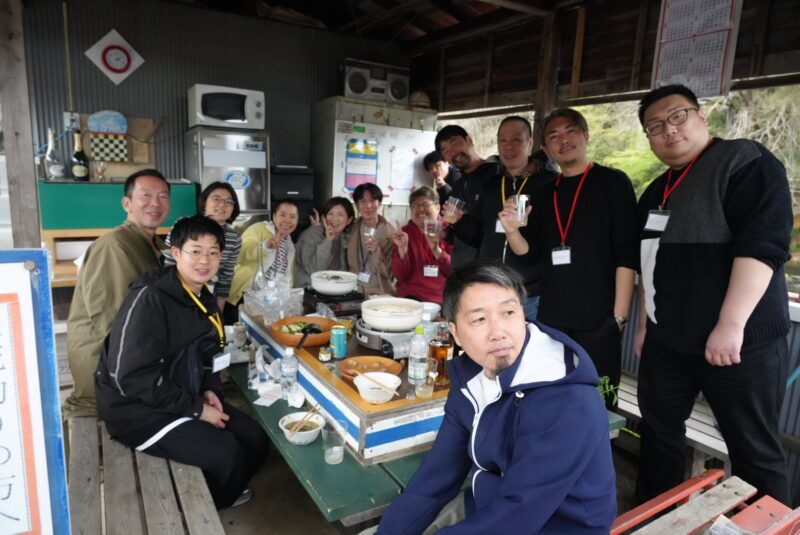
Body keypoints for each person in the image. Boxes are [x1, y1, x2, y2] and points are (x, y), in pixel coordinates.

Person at [369, 260, 616, 534]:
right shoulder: (473, 380)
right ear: (455, 334)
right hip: (488, 507)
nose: (498, 332)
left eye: (508, 312)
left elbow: (516, 516)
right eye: (479, 319)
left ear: (523, 313)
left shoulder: (568, 403)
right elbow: (436, 478)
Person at [634, 84, 791, 503]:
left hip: (739, 344)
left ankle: (766, 526)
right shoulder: (656, 190)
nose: (668, 130)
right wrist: (649, 322)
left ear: (701, 115)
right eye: (654, 126)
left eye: (677, 116)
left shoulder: (743, 159)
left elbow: (764, 246)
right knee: (658, 434)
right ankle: (653, 517)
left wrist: (731, 323)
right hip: (667, 343)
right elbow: (647, 264)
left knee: (753, 450)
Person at [95, 215, 269, 509]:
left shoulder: (202, 295)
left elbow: (209, 352)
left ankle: (224, 491)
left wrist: (210, 387)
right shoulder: (151, 298)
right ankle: (202, 510)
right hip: (138, 411)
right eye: (196, 251)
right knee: (227, 452)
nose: (205, 260)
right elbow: (131, 377)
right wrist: (197, 408)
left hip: (183, 392)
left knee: (255, 440)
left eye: (213, 252)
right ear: (175, 253)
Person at [502, 109, 639, 403]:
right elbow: (530, 254)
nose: (563, 140)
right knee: (552, 397)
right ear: (547, 148)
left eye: (570, 131)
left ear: (586, 136)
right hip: (553, 317)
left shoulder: (613, 182)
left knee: (598, 400)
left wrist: (618, 317)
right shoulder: (544, 192)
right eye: (554, 136)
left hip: (600, 319)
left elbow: (627, 253)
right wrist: (512, 231)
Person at [63, 169, 171, 418]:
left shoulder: (151, 244)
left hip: (129, 370)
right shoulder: (114, 246)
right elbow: (116, 327)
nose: (155, 203)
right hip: (106, 383)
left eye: (163, 196)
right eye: (146, 195)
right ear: (127, 203)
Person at [449, 116, 557, 320]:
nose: (509, 147)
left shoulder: (548, 185)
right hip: (490, 289)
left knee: (527, 350)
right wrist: (459, 221)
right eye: (503, 141)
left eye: (516, 139)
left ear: (530, 142)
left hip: (529, 294)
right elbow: (480, 237)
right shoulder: (491, 186)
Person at [164, 182, 242, 322]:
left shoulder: (234, 238)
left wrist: (217, 317)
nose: (222, 204)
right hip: (177, 295)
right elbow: (168, 264)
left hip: (208, 297)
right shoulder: (184, 225)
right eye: (216, 199)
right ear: (204, 202)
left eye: (228, 201)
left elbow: (225, 279)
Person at [435, 125, 500, 268]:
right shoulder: (458, 185)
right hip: (461, 268)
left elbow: (492, 234)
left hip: (486, 269)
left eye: (454, 143)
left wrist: (459, 221)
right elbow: (460, 236)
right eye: (445, 150)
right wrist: (446, 234)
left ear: (469, 140)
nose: (452, 151)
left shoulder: (496, 175)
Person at [228, 200, 299, 305]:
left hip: (270, 299)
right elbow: (240, 255)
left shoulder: (290, 245)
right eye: (283, 215)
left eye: (293, 217)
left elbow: (286, 277)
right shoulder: (259, 229)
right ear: (274, 217)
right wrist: (265, 246)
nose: (287, 220)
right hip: (244, 296)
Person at [391, 186, 452, 305]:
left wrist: (436, 250)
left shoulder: (450, 231)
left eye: (425, 204)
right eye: (415, 205)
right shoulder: (404, 234)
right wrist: (402, 250)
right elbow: (401, 277)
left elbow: (455, 272)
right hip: (411, 297)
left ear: (438, 207)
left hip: (442, 299)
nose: (420, 209)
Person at [346, 183, 395, 296]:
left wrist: (376, 252)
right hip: (354, 289)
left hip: (380, 290)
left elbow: (389, 273)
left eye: (373, 200)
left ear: (380, 203)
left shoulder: (390, 233)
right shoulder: (351, 228)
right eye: (362, 201)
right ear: (357, 205)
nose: (368, 206)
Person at [294, 196, 354, 288]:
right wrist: (328, 241)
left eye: (340, 214)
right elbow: (315, 270)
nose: (334, 218)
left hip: (334, 289)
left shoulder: (344, 238)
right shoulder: (310, 235)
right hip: (308, 289)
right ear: (324, 217)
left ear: (349, 220)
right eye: (330, 213)